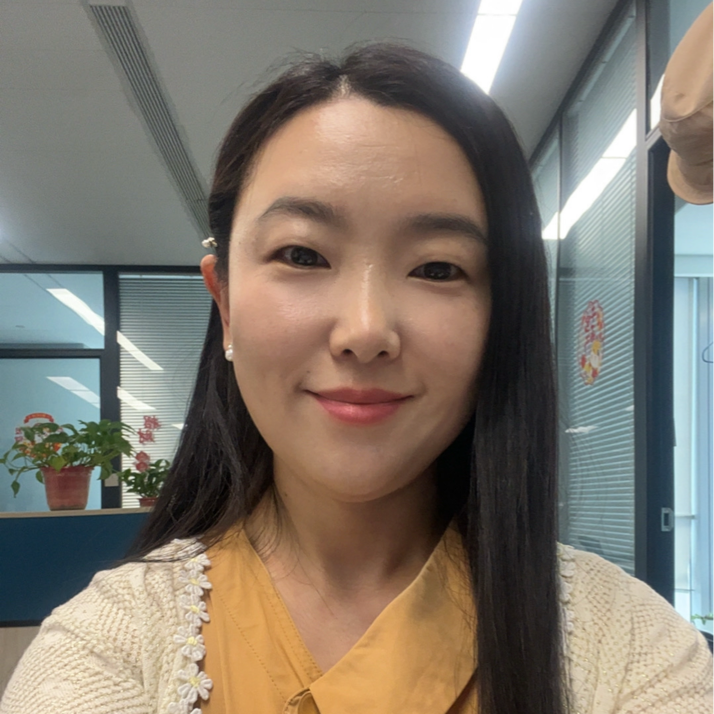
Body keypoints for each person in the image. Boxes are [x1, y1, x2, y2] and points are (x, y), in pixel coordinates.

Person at [2, 43, 713, 714]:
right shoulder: (107, 651)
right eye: (302, 255)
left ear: (503, 317)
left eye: (438, 267)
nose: (367, 329)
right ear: (225, 304)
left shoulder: (631, 648)